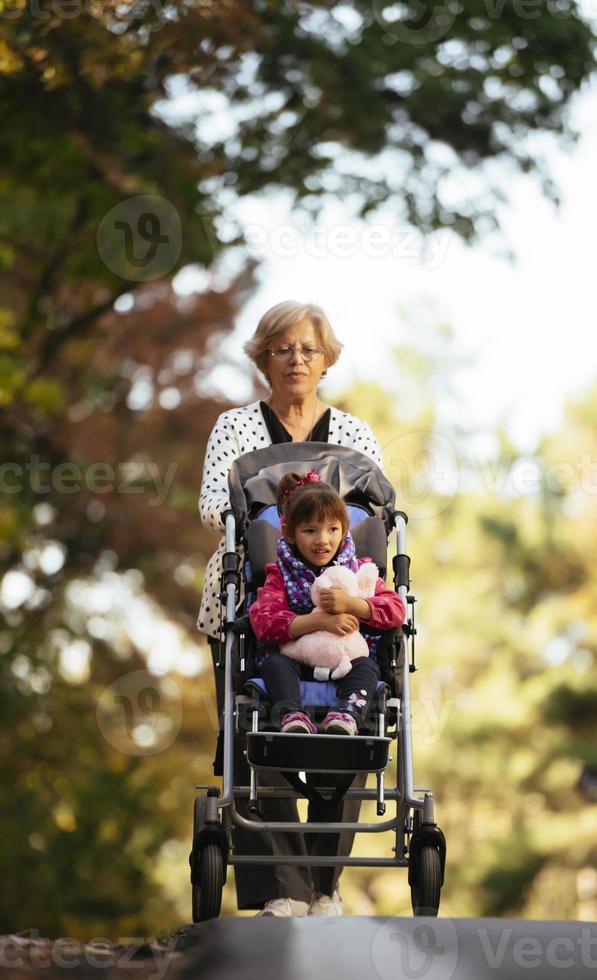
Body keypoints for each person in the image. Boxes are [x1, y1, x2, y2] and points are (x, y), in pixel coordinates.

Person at [197, 299, 387, 917]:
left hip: (344, 609)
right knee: (263, 722)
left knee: (350, 716)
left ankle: (324, 887)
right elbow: (210, 508)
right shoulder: (235, 428)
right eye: (282, 348)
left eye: (308, 348)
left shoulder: (355, 437)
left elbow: (378, 520)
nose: (296, 359)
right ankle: (284, 888)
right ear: (263, 359)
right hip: (251, 598)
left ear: (326, 358)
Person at [249, 469, 405, 738]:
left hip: (346, 661)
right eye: (310, 530)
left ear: (343, 530)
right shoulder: (279, 574)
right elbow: (264, 621)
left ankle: (347, 715)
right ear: (289, 532)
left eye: (332, 529)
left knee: (367, 666)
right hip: (296, 661)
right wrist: (319, 621)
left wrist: (353, 604)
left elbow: (396, 610)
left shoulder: (360, 571)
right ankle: (291, 715)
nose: (323, 539)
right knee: (275, 665)